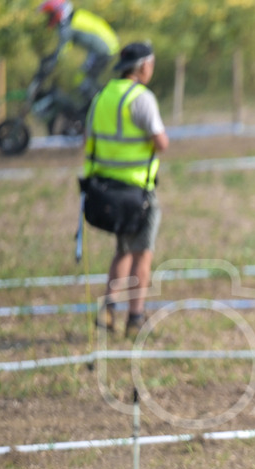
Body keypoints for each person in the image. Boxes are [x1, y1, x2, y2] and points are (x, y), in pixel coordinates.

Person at [84, 42, 169, 339]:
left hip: (106, 189)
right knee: (142, 254)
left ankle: (108, 309)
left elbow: (89, 140)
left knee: (122, 249)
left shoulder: (102, 96)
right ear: (144, 66)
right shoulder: (142, 98)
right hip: (138, 191)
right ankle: (135, 318)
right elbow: (161, 142)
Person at [38, 0, 119, 106]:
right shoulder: (76, 17)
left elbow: (61, 51)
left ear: (59, 12)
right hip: (106, 47)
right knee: (85, 78)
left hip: (104, 49)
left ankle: (98, 106)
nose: (50, 19)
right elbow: (66, 47)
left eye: (51, 15)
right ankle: (95, 103)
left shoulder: (68, 26)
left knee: (81, 80)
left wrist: (49, 64)